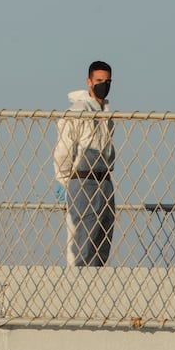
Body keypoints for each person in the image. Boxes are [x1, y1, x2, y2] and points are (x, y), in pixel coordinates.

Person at [53, 61, 116, 267]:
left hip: (104, 179)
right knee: (83, 244)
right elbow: (64, 150)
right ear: (89, 82)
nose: (103, 85)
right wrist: (64, 181)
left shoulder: (107, 114)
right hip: (82, 179)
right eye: (99, 81)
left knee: (102, 241)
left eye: (107, 81)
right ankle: (77, 290)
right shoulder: (78, 111)